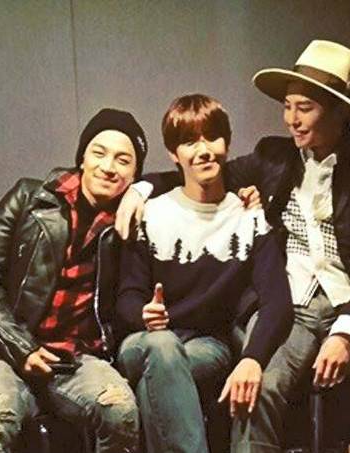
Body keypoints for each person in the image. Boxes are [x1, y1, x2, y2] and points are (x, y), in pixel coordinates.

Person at [116, 39, 350, 453]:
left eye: (305, 108)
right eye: (287, 107)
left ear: (338, 111)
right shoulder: (273, 156)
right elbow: (202, 169)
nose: (291, 120)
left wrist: (346, 332)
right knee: (254, 388)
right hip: (288, 307)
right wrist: (140, 188)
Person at [115, 94, 293, 453]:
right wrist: (143, 313)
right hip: (144, 342)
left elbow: (278, 301)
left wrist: (252, 359)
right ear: (173, 153)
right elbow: (127, 295)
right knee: (162, 347)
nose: (204, 150)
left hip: (208, 345)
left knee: (158, 381)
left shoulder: (248, 215)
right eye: (189, 142)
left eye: (212, 137)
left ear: (227, 143)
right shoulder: (152, 212)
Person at [0, 108, 148, 453]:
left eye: (123, 160)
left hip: (76, 360)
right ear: (82, 158)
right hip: (7, 354)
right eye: (99, 153)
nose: (109, 167)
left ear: (135, 175)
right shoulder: (29, 197)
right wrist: (22, 348)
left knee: (120, 411)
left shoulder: (130, 224)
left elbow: (194, 173)